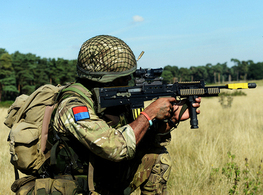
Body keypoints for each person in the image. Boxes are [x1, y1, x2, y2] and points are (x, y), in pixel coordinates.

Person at [47, 35, 201, 194]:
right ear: (106, 80)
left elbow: (138, 139)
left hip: (101, 176)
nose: (129, 81)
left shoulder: (112, 100)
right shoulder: (73, 106)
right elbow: (116, 147)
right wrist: (148, 114)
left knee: (157, 158)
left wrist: (166, 123)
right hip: (75, 187)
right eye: (124, 78)